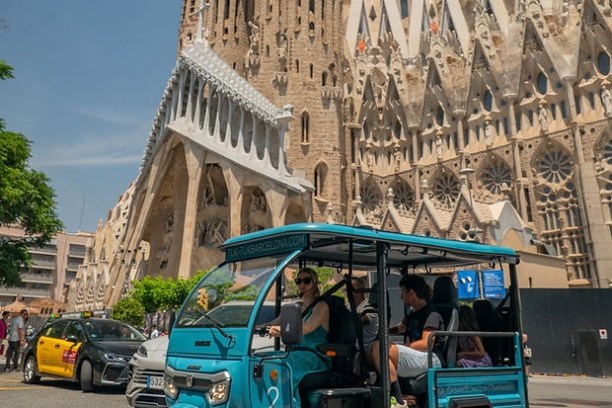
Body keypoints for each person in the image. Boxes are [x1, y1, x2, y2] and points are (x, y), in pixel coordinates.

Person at [370, 275, 444, 408]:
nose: (401, 296)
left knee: (382, 348)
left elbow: (426, 343)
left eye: (403, 291)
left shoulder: (431, 314)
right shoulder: (413, 314)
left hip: (431, 358)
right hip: (418, 356)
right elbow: (398, 328)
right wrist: (381, 329)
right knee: (377, 347)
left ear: (412, 293)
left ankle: (397, 399)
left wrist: (397, 347)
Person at [266, 267, 331, 407]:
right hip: (295, 353)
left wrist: (281, 330)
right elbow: (273, 323)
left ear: (314, 284)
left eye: (306, 281)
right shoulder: (295, 306)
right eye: (298, 281)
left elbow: (308, 328)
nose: (302, 284)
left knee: (285, 364)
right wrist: (253, 326)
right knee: (264, 358)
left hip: (316, 356)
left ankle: (290, 404)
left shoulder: (321, 306)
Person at [351, 277, 379, 352]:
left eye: (355, 290)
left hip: (365, 349)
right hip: (351, 347)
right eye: (350, 290)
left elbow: (364, 320)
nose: (352, 293)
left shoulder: (370, 308)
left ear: (362, 291)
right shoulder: (348, 307)